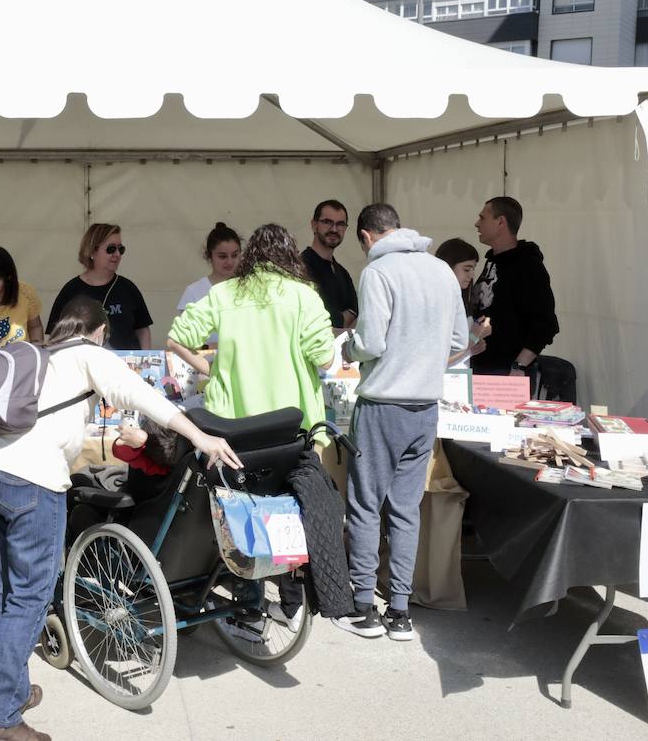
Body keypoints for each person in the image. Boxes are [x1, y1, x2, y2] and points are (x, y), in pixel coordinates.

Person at [0, 297, 239, 741]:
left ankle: (8, 691)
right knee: (30, 600)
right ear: (98, 332)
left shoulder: (39, 353)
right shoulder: (89, 354)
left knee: (1, 592)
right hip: (31, 480)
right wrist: (200, 436)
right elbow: (145, 397)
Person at [166, 222, 337, 629]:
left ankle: (248, 603)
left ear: (250, 258)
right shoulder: (305, 296)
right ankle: (291, 600)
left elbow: (176, 337)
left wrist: (210, 366)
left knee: (236, 512)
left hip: (234, 428)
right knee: (289, 510)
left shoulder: (223, 293)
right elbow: (326, 358)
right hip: (291, 428)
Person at [336, 204, 467, 642]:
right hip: (425, 407)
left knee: (365, 505)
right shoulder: (442, 271)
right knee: (406, 511)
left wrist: (348, 350)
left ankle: (362, 607)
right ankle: (399, 611)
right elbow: (457, 341)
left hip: (382, 405)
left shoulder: (378, 271)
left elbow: (370, 341)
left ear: (367, 237)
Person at [470, 196, 560, 376]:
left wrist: (519, 366)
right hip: (480, 368)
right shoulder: (492, 262)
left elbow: (545, 325)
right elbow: (487, 315)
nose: (476, 224)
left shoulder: (527, 265)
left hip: (506, 373)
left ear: (501, 222)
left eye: (483, 218)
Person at [46, 223, 152, 350]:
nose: (117, 254)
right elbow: (55, 336)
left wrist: (147, 360)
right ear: (92, 251)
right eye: (111, 249)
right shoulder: (71, 290)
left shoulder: (128, 288)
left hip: (124, 366)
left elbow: (142, 330)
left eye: (121, 249)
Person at [434, 238, 493, 369]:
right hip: (442, 384)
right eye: (467, 269)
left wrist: (472, 349)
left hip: (458, 381)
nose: (472, 275)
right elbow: (437, 359)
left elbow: (458, 353)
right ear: (447, 267)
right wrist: (474, 336)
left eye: (473, 269)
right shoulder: (436, 304)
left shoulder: (462, 300)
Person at [301, 200, 359, 330]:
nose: (334, 229)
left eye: (340, 224)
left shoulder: (342, 273)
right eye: (327, 222)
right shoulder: (301, 267)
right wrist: (342, 319)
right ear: (314, 225)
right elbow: (313, 317)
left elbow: (356, 312)